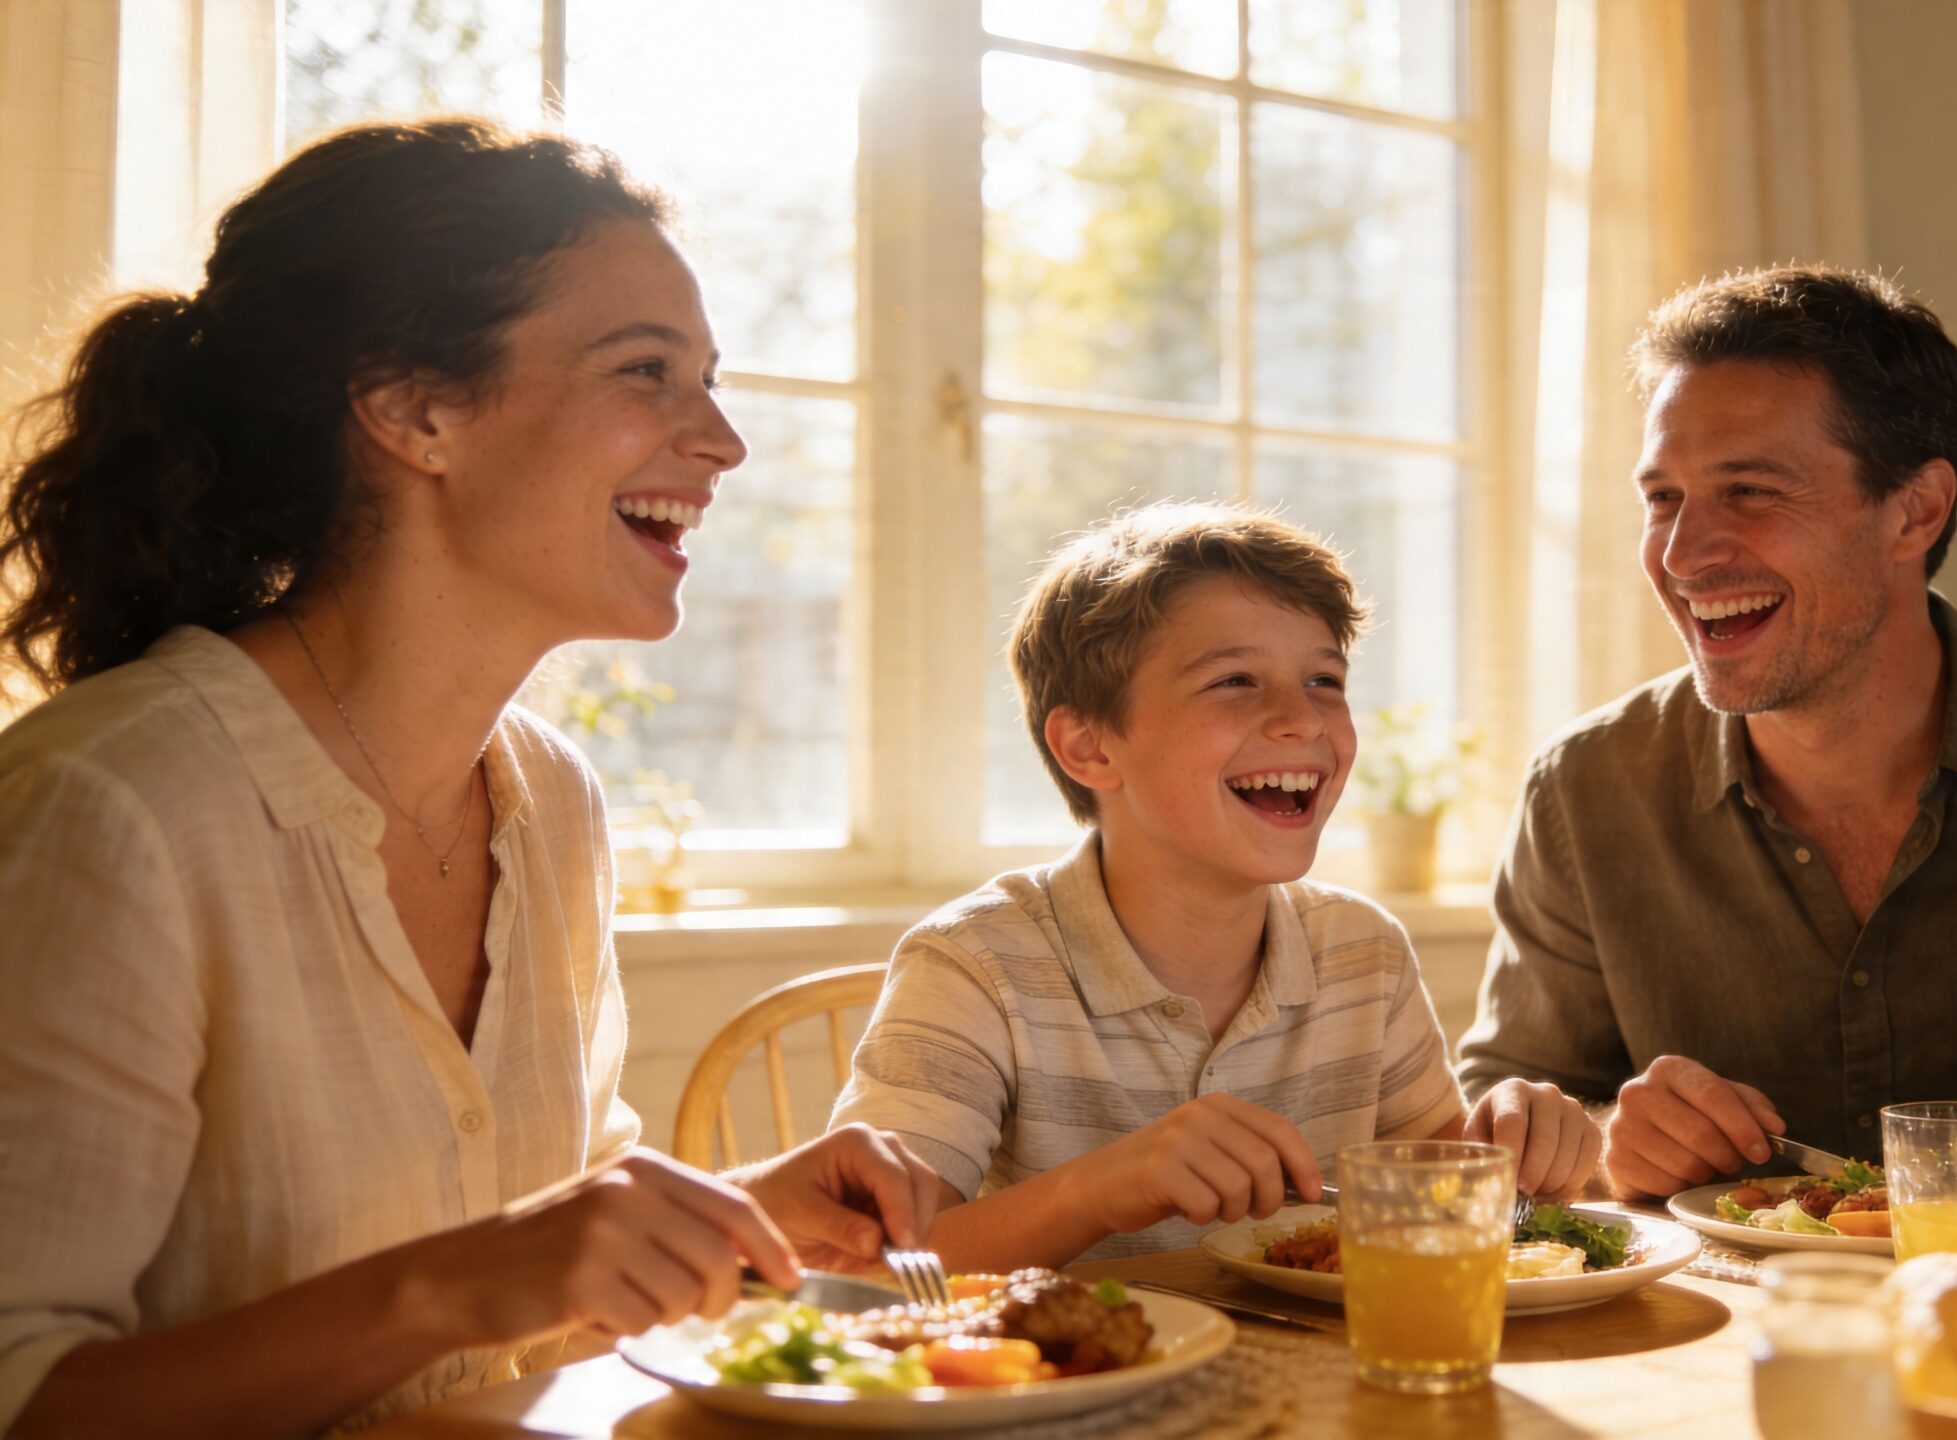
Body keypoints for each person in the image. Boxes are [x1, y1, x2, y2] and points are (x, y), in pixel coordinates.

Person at [0, 119, 938, 1438]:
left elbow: (558, 1237)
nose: (720, 440)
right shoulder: (111, 805)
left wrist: (731, 1216)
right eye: (647, 372)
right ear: (416, 410)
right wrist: (456, 1284)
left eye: (708, 379)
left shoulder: (550, 804)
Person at [1453, 265, 1957, 1202]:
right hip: (1715, 1336)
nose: (1680, 554)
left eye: (1748, 490)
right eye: (1663, 497)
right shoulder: (1585, 788)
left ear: (1915, 510)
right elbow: (1503, 1116)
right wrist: (1600, 1142)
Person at [832, 504, 1598, 1271]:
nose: (1302, 718)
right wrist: (1099, 1189)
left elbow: (1446, 1200)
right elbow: (869, 1269)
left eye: (1324, 679)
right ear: (1089, 745)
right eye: (1234, 681)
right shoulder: (974, 965)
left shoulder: (1361, 951)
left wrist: (1512, 1146)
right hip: (1080, 1383)